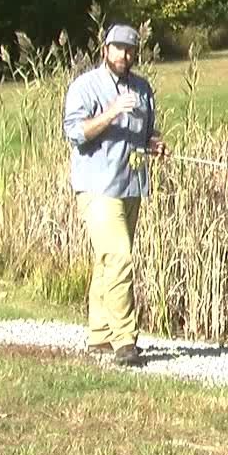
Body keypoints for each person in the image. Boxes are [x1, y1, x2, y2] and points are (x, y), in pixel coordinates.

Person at [62, 24, 167, 366]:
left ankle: (99, 334)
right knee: (120, 256)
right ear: (105, 48)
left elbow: (147, 133)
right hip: (96, 186)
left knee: (107, 260)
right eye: (118, 48)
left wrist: (155, 144)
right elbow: (76, 133)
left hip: (132, 185)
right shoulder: (85, 86)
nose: (125, 55)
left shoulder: (143, 88)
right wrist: (111, 112)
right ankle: (125, 341)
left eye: (131, 49)